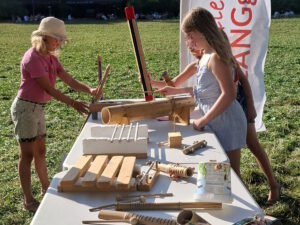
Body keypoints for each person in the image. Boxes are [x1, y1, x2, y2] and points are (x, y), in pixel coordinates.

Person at [10, 17, 98, 212]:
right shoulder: (32, 58)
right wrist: (73, 103)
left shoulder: (51, 57)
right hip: (25, 109)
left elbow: (68, 79)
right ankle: (28, 200)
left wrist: (89, 89)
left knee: (40, 152)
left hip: (38, 108)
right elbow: (49, 89)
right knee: (26, 155)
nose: (58, 43)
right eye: (56, 38)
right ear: (44, 37)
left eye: (60, 40)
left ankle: (45, 187)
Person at [150, 7, 247, 178]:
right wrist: (174, 114)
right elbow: (203, 94)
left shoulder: (216, 58)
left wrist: (202, 120)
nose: (190, 41)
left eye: (191, 36)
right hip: (215, 120)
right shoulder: (205, 58)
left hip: (228, 122)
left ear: (202, 31)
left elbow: (229, 94)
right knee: (219, 174)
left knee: (232, 175)